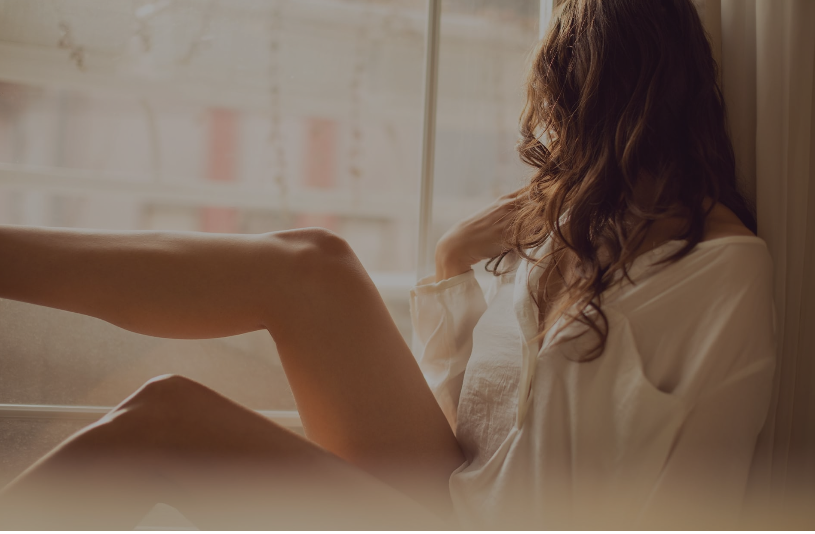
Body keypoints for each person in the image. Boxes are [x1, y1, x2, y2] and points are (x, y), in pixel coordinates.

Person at [0, 0, 775, 529]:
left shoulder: (721, 272)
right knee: (315, 263)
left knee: (162, 419)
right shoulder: (547, 246)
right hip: (446, 505)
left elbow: (694, 498)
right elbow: (461, 441)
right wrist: (455, 257)